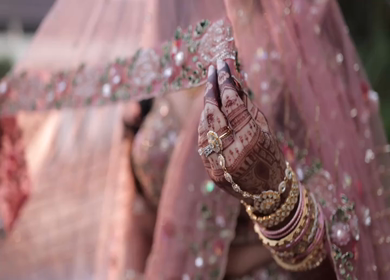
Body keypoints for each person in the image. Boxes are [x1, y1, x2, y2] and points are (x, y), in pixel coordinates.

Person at [0, 0, 389, 279]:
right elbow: (142, 209)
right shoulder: (157, 26)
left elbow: (347, 235)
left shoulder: (291, 28)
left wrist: (273, 199)